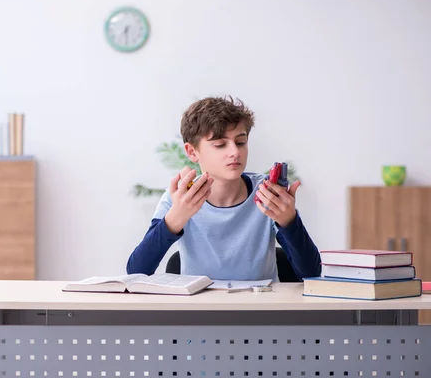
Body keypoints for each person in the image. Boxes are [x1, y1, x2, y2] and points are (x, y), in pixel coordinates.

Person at [126, 95, 321, 281]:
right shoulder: (179, 197)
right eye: (220, 145)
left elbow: (310, 273)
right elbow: (137, 271)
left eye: (241, 142)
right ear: (192, 152)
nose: (235, 152)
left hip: (259, 307)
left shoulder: (267, 193)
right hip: (199, 309)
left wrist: (289, 221)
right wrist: (175, 218)